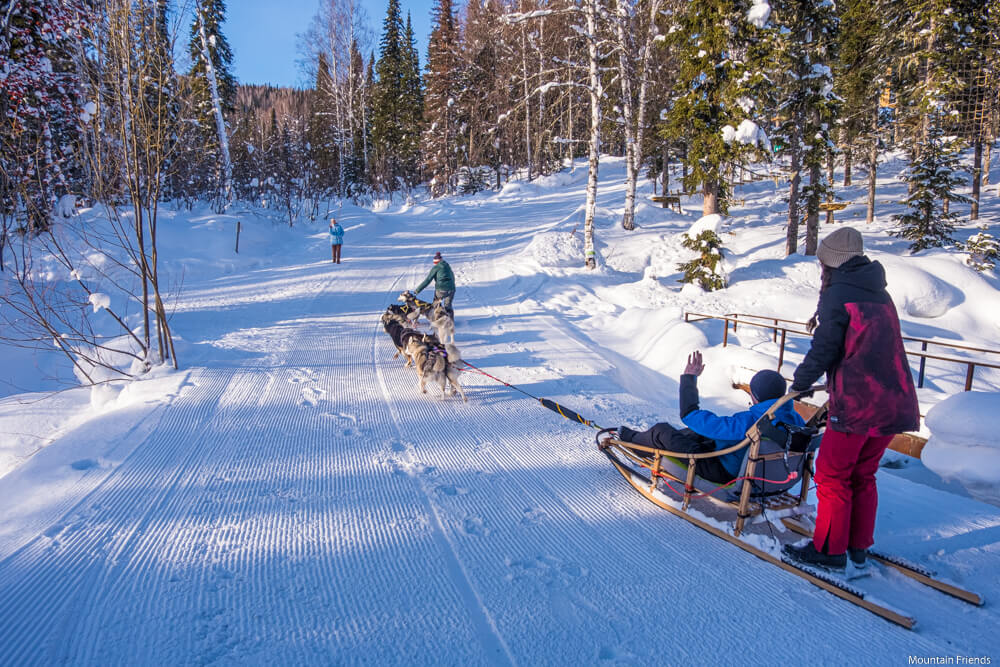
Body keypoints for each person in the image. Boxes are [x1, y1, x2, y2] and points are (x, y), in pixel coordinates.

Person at [783, 227, 919, 571]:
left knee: (831, 475)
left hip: (859, 403)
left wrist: (799, 383)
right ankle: (857, 545)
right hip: (896, 398)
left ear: (831, 262)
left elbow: (825, 346)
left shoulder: (838, 293)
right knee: (863, 473)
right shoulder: (878, 290)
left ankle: (829, 550)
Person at [619, 351, 805, 485]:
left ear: (755, 395)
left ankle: (630, 441)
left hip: (726, 473)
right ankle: (648, 441)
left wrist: (689, 378)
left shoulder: (751, 423)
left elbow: (690, 415)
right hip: (769, 478)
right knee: (697, 433)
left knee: (662, 431)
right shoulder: (796, 421)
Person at [413, 251, 455, 316]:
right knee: (448, 306)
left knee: (436, 304)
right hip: (451, 289)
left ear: (436, 262)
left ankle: (437, 320)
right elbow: (452, 277)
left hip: (441, 289)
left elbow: (428, 280)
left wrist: (418, 290)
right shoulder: (448, 266)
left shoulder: (436, 268)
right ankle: (450, 322)